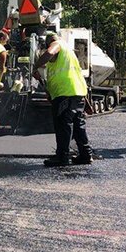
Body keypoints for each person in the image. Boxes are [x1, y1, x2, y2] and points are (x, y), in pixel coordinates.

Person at [33, 32, 93, 167]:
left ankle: (62, 157)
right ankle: (85, 154)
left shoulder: (57, 44)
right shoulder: (69, 55)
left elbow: (49, 53)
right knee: (78, 125)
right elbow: (76, 77)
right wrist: (87, 102)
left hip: (64, 94)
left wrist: (35, 66)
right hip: (77, 93)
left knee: (62, 125)